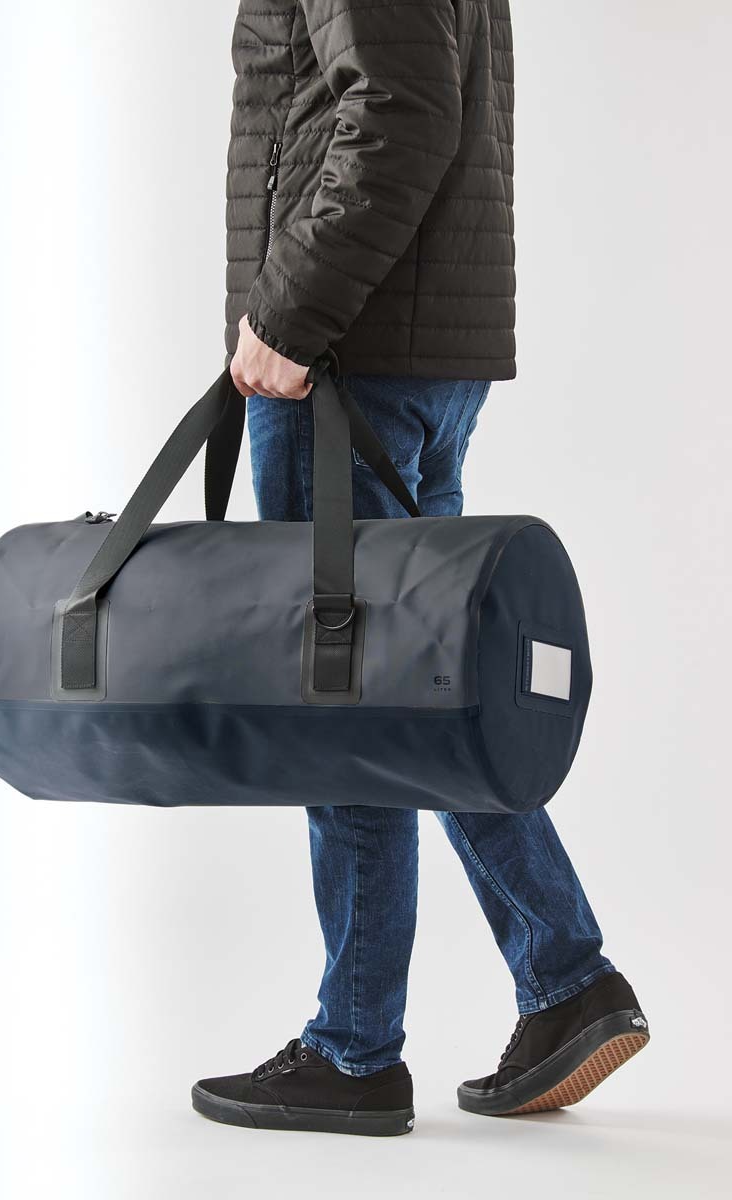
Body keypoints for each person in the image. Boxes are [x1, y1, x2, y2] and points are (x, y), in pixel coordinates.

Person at [191, 0, 649, 1136]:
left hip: (347, 355)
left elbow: (399, 109)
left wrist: (286, 314)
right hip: (409, 346)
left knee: (346, 697)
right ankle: (564, 977)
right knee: (415, 686)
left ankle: (355, 1049)